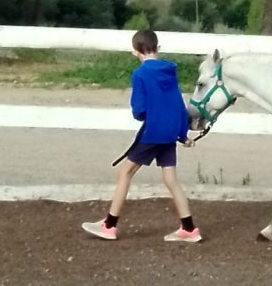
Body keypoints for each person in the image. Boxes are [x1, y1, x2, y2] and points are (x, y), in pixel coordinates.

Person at [81, 28, 201, 243]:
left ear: (135, 51)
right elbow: (178, 105)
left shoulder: (140, 74)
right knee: (170, 179)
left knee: (125, 173)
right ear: (158, 48)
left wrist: (148, 116)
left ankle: (109, 225)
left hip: (152, 133)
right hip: (170, 134)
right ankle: (189, 228)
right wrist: (183, 135)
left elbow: (139, 110)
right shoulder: (170, 72)